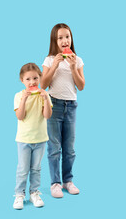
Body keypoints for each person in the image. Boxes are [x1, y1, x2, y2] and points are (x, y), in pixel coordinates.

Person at [41, 23, 85, 198]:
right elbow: (43, 84)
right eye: (60, 37)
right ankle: (55, 184)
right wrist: (54, 66)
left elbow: (81, 86)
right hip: (54, 105)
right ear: (55, 41)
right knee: (54, 148)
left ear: (71, 38)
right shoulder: (49, 60)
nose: (65, 40)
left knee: (70, 148)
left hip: (71, 106)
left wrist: (73, 67)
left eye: (67, 36)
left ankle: (68, 181)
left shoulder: (78, 60)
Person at [13, 63, 52, 209]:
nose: (32, 82)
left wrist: (46, 99)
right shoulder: (18, 96)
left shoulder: (45, 95)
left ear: (40, 78)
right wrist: (24, 99)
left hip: (41, 139)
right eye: (28, 79)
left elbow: (47, 115)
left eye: (35, 78)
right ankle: (19, 194)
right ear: (22, 80)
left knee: (36, 168)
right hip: (24, 139)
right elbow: (20, 116)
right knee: (23, 169)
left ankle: (34, 192)